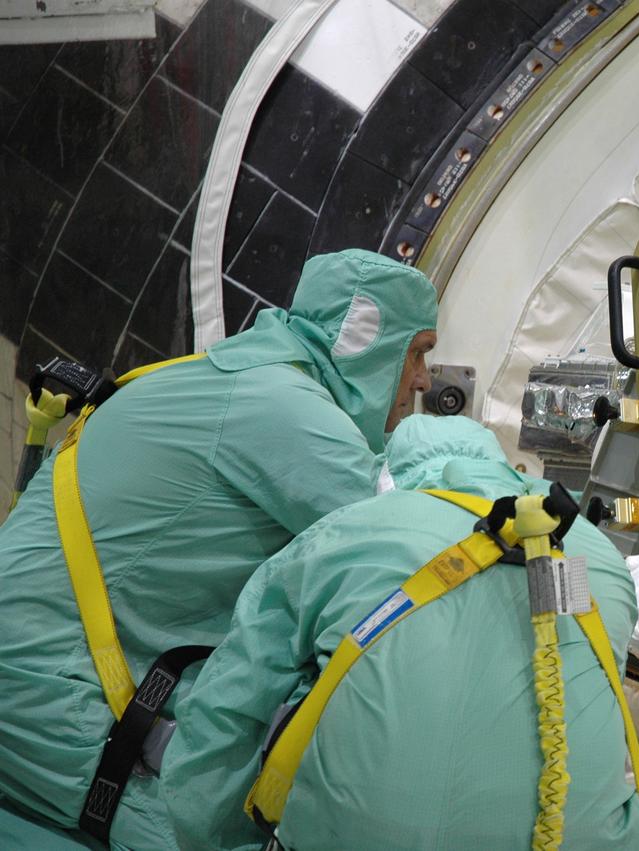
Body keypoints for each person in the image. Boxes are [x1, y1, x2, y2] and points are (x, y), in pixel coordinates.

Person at [0, 249, 439, 849]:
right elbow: (424, 543)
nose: (424, 380)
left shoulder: (235, 376)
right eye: (418, 352)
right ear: (362, 341)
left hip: (31, 676)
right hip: (54, 701)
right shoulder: (283, 409)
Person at [162, 415, 639, 850]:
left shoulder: (347, 532)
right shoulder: (591, 557)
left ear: (391, 481)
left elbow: (224, 713)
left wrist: (215, 839)